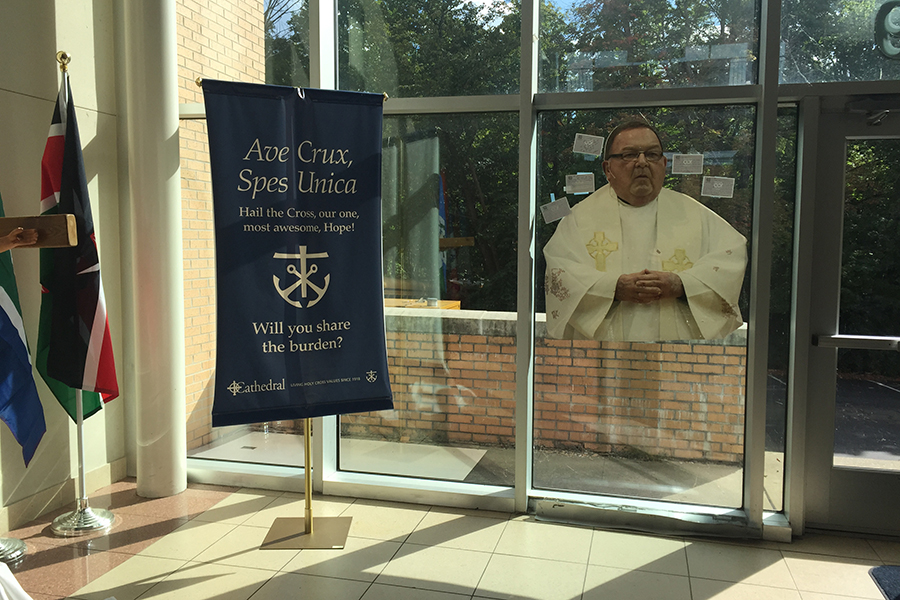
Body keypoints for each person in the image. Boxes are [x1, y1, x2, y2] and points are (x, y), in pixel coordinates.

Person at [543, 120, 747, 342]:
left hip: (677, 353)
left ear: (664, 163)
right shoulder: (579, 219)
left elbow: (731, 257)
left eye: (651, 154)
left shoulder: (695, 214)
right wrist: (614, 288)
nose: (642, 162)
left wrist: (682, 284)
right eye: (629, 155)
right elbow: (561, 271)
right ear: (607, 169)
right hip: (603, 353)